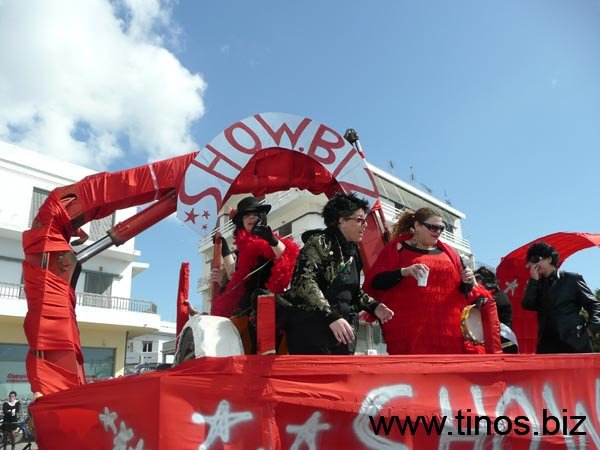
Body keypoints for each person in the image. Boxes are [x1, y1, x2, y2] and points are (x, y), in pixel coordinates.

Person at [364, 207, 502, 354]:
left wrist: (467, 281)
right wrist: (404, 272)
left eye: (441, 228)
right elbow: (376, 282)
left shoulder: (450, 253)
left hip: (448, 331)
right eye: (433, 227)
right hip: (408, 330)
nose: (438, 232)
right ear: (417, 225)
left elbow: (463, 293)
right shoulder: (397, 249)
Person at [284, 192, 394, 355]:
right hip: (313, 330)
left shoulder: (354, 251)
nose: (365, 225)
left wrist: (374, 306)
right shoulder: (319, 241)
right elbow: (304, 282)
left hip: (343, 334)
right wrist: (331, 316)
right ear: (341, 220)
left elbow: (352, 292)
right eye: (359, 219)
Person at [210, 196, 300, 351]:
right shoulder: (243, 249)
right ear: (241, 222)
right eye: (246, 215)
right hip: (245, 310)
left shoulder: (267, 241)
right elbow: (234, 273)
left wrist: (271, 239)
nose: (251, 217)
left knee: (263, 350)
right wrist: (224, 247)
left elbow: (286, 255)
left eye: (255, 214)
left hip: (267, 310)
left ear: (261, 218)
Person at [521, 241, 600, 353]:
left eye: (536, 259)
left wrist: (590, 331)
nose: (534, 265)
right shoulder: (536, 284)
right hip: (547, 346)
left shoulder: (571, 279)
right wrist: (533, 280)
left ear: (549, 259)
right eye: (531, 261)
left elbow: (595, 305)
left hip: (575, 343)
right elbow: (527, 304)